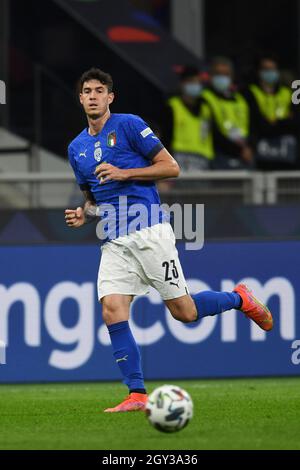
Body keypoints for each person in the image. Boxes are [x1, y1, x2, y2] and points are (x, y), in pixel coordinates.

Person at [65, 68, 273, 413]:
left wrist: (125, 172)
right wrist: (83, 213)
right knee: (111, 309)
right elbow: (95, 198)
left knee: (185, 312)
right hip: (114, 239)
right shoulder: (77, 148)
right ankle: (137, 394)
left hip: (148, 230)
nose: (92, 96)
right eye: (86, 90)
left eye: (99, 90)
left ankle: (239, 298)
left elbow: (171, 167)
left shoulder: (129, 125)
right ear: (80, 98)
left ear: (110, 97)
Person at [243, 55, 299, 170]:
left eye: (273, 69)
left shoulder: (288, 93)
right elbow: (257, 124)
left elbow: (296, 123)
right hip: (262, 156)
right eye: (266, 69)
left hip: (287, 156)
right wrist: (284, 122)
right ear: (259, 72)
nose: (270, 73)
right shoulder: (250, 92)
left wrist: (274, 122)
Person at [202, 57, 254, 169]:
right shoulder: (204, 98)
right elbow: (212, 132)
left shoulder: (240, 100)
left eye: (226, 74)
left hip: (244, 156)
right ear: (210, 76)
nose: (222, 78)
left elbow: (251, 126)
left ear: (231, 77)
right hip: (220, 156)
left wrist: (249, 147)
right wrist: (239, 150)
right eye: (218, 74)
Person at [161, 65, 214, 171]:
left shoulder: (206, 108)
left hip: (203, 160)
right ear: (182, 84)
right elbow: (166, 137)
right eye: (191, 82)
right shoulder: (172, 107)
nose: (195, 85)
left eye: (197, 82)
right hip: (179, 159)